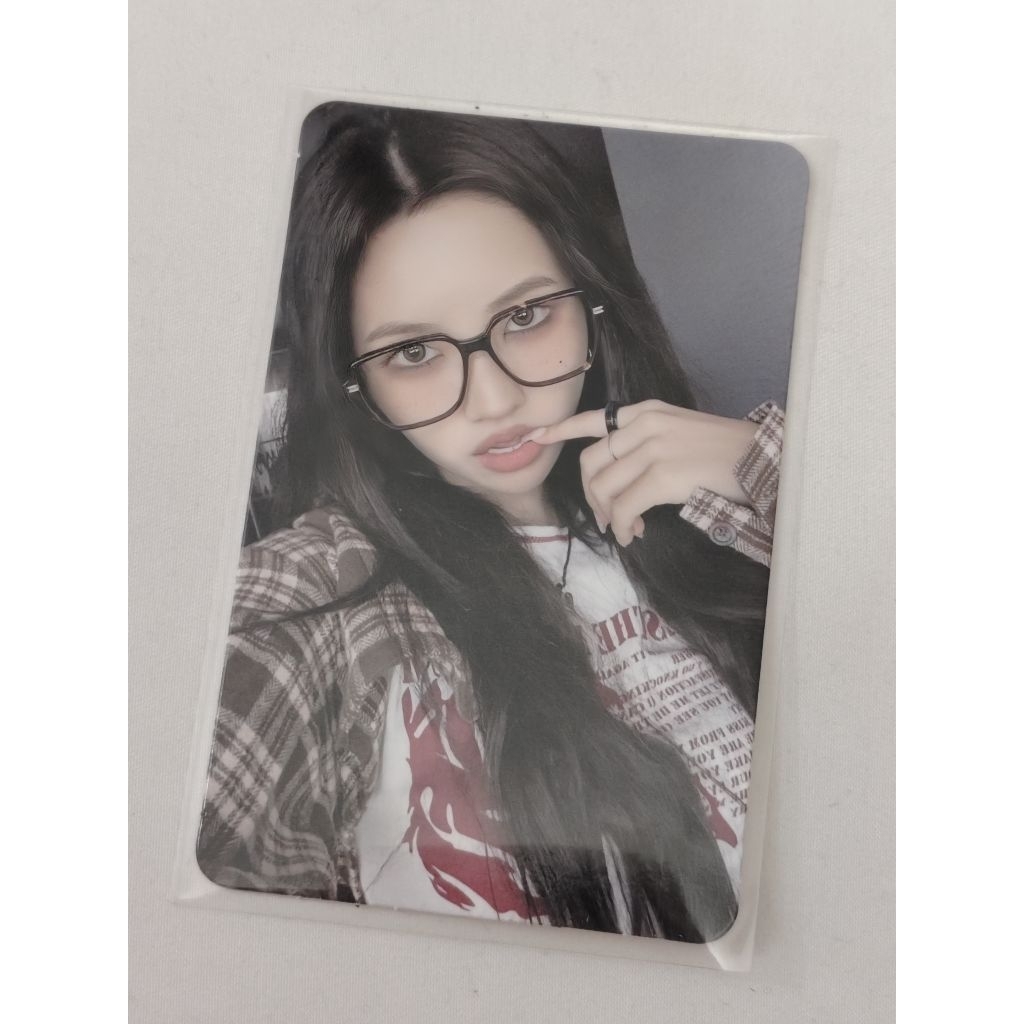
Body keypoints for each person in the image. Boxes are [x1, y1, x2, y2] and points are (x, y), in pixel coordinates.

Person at [196, 103, 785, 944]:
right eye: (413, 353)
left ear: (591, 305)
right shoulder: (328, 589)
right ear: (357, 386)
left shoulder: (707, 503)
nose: (495, 399)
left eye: (525, 317)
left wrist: (768, 466)